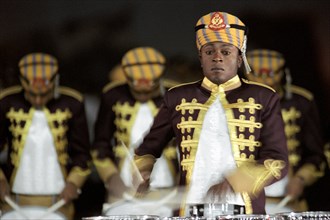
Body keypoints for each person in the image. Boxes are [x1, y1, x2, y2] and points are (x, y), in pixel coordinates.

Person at [134, 11, 289, 216]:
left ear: (239, 59)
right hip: (188, 209)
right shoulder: (177, 97)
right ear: (201, 58)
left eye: (226, 52)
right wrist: (143, 171)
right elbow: (149, 147)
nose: (217, 57)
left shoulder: (263, 97)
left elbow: (277, 160)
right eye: (209, 52)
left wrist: (234, 182)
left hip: (245, 210)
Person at [0, 52, 92, 220]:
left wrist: (73, 183)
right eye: (32, 95)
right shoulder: (6, 102)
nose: (37, 100)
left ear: (55, 82)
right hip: (14, 199)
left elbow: (82, 153)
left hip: (57, 200)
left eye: (43, 95)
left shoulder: (72, 103)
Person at [91, 47, 179, 207]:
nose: (143, 94)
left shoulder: (175, 94)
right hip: (123, 186)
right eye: (137, 91)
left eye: (149, 90)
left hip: (167, 185)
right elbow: (100, 144)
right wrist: (111, 177)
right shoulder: (113, 95)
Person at [245, 49, 326, 212]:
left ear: (283, 75)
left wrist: (301, 179)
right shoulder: (230, 101)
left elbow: (316, 154)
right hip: (245, 201)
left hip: (290, 203)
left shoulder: (302, 102)